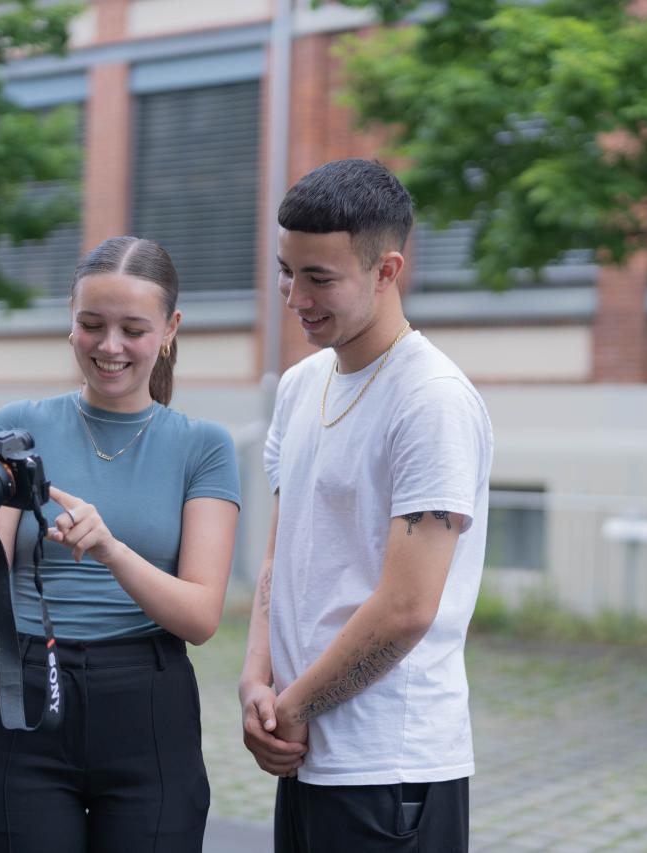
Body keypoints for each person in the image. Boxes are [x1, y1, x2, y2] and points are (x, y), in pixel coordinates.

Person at [0, 236, 241, 853]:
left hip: (147, 704)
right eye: (91, 324)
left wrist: (111, 549)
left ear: (170, 329)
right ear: (70, 320)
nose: (109, 346)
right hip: (25, 694)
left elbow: (201, 617)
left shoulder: (203, 446)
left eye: (133, 329)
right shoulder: (20, 429)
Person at [238, 159, 494, 851]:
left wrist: (294, 702)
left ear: (387, 271)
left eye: (320, 279)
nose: (296, 298)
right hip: (307, 754)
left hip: (392, 767)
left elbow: (408, 607)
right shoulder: (299, 385)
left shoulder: (430, 400)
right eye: (287, 272)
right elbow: (282, 553)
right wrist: (256, 677)